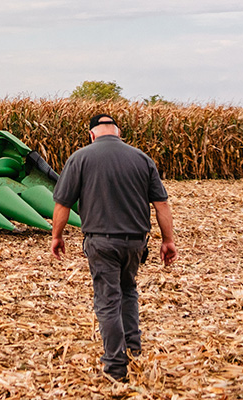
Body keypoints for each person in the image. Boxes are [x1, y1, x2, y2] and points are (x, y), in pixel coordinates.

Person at [50, 113, 178, 382]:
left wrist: (57, 236)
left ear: (92, 134)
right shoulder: (142, 159)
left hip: (101, 242)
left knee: (108, 300)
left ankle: (115, 365)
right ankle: (133, 349)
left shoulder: (80, 158)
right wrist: (168, 241)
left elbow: (62, 204)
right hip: (135, 241)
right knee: (128, 291)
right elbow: (161, 204)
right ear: (118, 133)